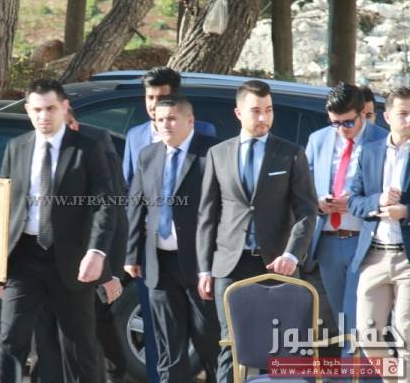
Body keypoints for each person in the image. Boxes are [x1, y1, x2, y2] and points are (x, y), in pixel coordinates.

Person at [0, 78, 116, 383]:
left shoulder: (87, 148)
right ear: (28, 111)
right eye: (37, 110)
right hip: (24, 257)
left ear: (65, 107)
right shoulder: (16, 148)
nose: (44, 116)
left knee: (78, 343)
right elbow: (1, 206)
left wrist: (96, 252)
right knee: (10, 337)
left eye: (51, 109)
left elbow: (105, 204)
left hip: (71, 258)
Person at [196, 80, 317, 383]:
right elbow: (207, 215)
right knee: (231, 345)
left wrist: (292, 254)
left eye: (269, 110)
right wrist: (205, 269)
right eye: (256, 111)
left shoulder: (291, 153)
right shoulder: (218, 154)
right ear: (238, 113)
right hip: (230, 266)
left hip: (277, 265)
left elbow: (306, 211)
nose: (263, 118)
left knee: (282, 347)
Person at [121, 66, 215, 382]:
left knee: (209, 340)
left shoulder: (209, 152)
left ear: (189, 120)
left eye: (171, 118)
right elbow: (134, 202)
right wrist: (132, 253)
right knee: (167, 346)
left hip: (198, 262)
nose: (164, 124)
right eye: (160, 119)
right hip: (158, 261)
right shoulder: (147, 153)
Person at [30, 108, 128, 383]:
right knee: (45, 341)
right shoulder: (34, 151)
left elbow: (113, 214)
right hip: (40, 264)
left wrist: (110, 272)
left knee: (87, 343)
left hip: (83, 268)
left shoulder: (95, 149)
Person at [305, 82, 388, 333]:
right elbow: (302, 188)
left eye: (348, 122)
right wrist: (319, 203)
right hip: (328, 241)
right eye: (335, 123)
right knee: (342, 320)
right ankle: (351, 359)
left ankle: (354, 361)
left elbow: (391, 193)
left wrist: (354, 203)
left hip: (365, 241)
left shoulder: (382, 140)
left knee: (358, 320)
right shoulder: (318, 140)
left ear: (363, 113)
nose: (341, 129)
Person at [348, 86, 410, 382]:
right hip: (374, 255)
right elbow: (354, 202)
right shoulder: (370, 152)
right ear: (387, 117)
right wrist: (379, 201)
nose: (409, 120)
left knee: (406, 332)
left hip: (407, 258)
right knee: (367, 334)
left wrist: (405, 211)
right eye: (403, 114)